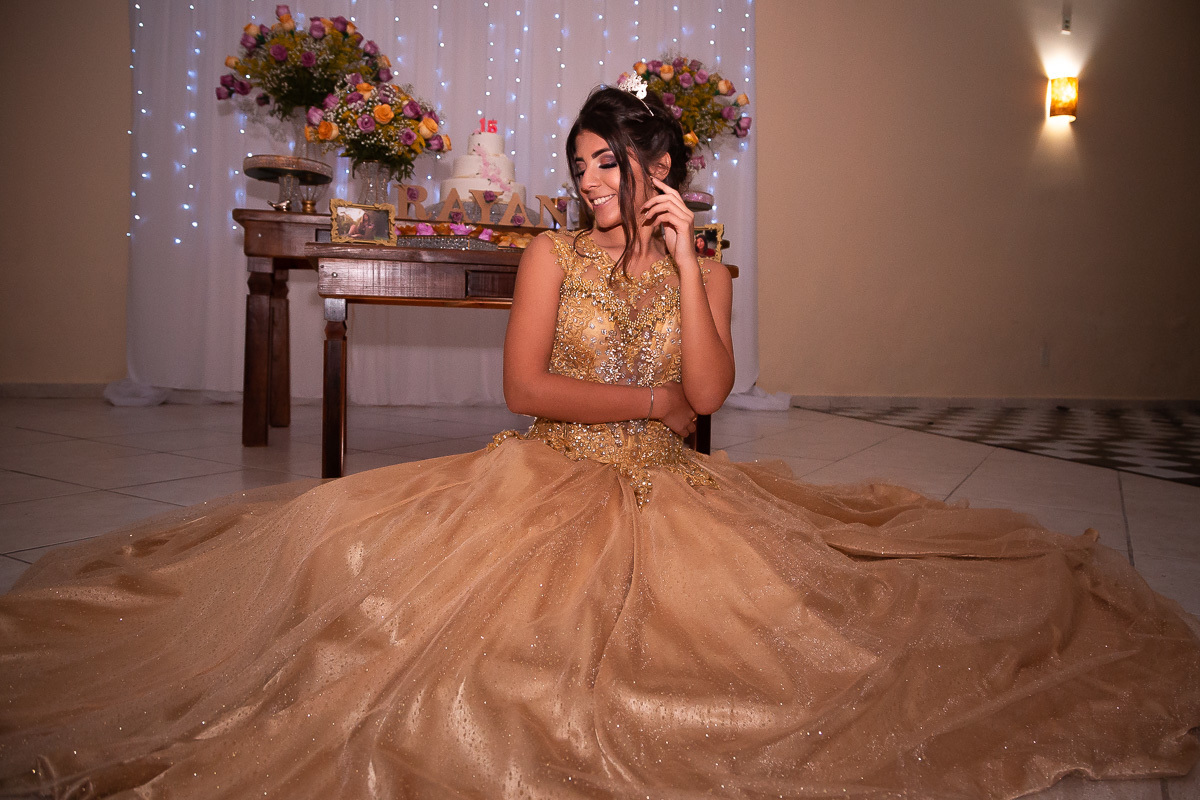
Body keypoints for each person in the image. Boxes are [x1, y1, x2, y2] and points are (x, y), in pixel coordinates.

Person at [1, 86, 1198, 799]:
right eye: (577, 165)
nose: (587, 184)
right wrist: (648, 405)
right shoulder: (548, 255)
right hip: (540, 472)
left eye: (607, 163)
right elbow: (530, 384)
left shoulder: (709, 264)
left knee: (777, 646)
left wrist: (685, 271)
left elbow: (715, 393)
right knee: (354, 578)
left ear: (660, 165)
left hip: (674, 496)